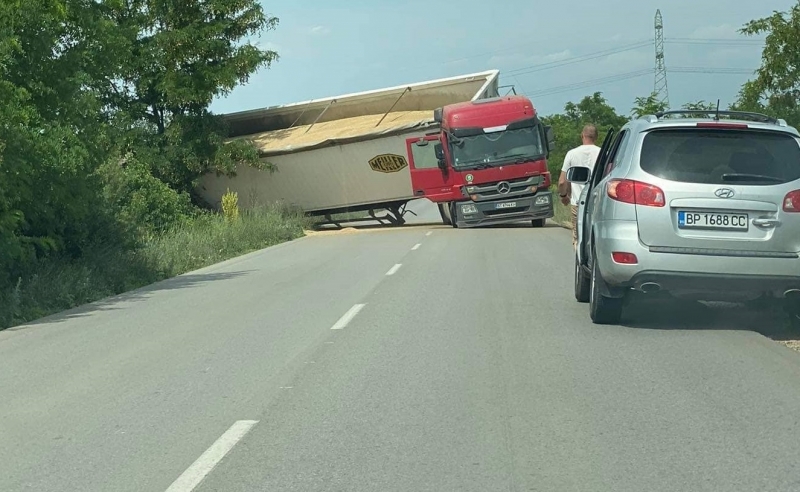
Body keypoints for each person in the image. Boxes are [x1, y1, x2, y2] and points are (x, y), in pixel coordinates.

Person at [558, 124, 600, 249]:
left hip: (578, 203)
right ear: (596, 137)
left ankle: (580, 262)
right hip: (597, 203)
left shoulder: (571, 154)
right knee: (595, 238)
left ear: (582, 135)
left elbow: (561, 181)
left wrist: (564, 196)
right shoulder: (604, 153)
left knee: (578, 238)